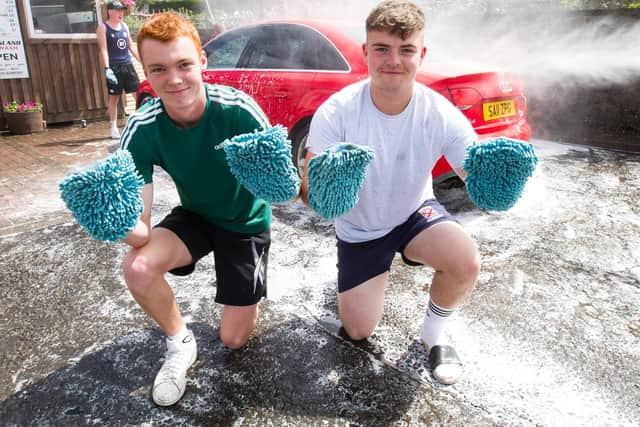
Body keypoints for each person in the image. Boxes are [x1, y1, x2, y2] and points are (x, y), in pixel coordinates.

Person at [300, 0, 480, 385]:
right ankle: (360, 282)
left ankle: (434, 333)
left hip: (415, 214)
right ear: (365, 52)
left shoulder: (440, 112)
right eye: (382, 48)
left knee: (466, 259)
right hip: (361, 230)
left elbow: (475, 175)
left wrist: (498, 179)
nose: (393, 60)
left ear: (422, 54)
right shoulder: (337, 112)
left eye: (406, 50)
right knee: (360, 330)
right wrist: (315, 191)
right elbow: (312, 194)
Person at [118, 12, 272, 406]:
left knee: (233, 340)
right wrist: (116, 222)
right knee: (136, 266)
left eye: (184, 64)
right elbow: (140, 225)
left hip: (244, 221)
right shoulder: (142, 127)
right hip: (198, 215)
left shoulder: (238, 111)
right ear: (146, 73)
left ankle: (245, 292)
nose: (174, 79)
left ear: (202, 61)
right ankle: (179, 343)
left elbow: (280, 185)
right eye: (159, 69)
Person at [96, 0, 140, 140]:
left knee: (137, 94)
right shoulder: (103, 28)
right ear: (110, 11)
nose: (121, 13)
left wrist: (143, 62)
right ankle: (113, 127)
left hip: (127, 65)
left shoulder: (124, 26)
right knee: (114, 98)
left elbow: (131, 46)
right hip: (113, 67)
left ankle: (139, 123)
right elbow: (103, 50)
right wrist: (107, 69)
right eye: (118, 10)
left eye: (122, 10)